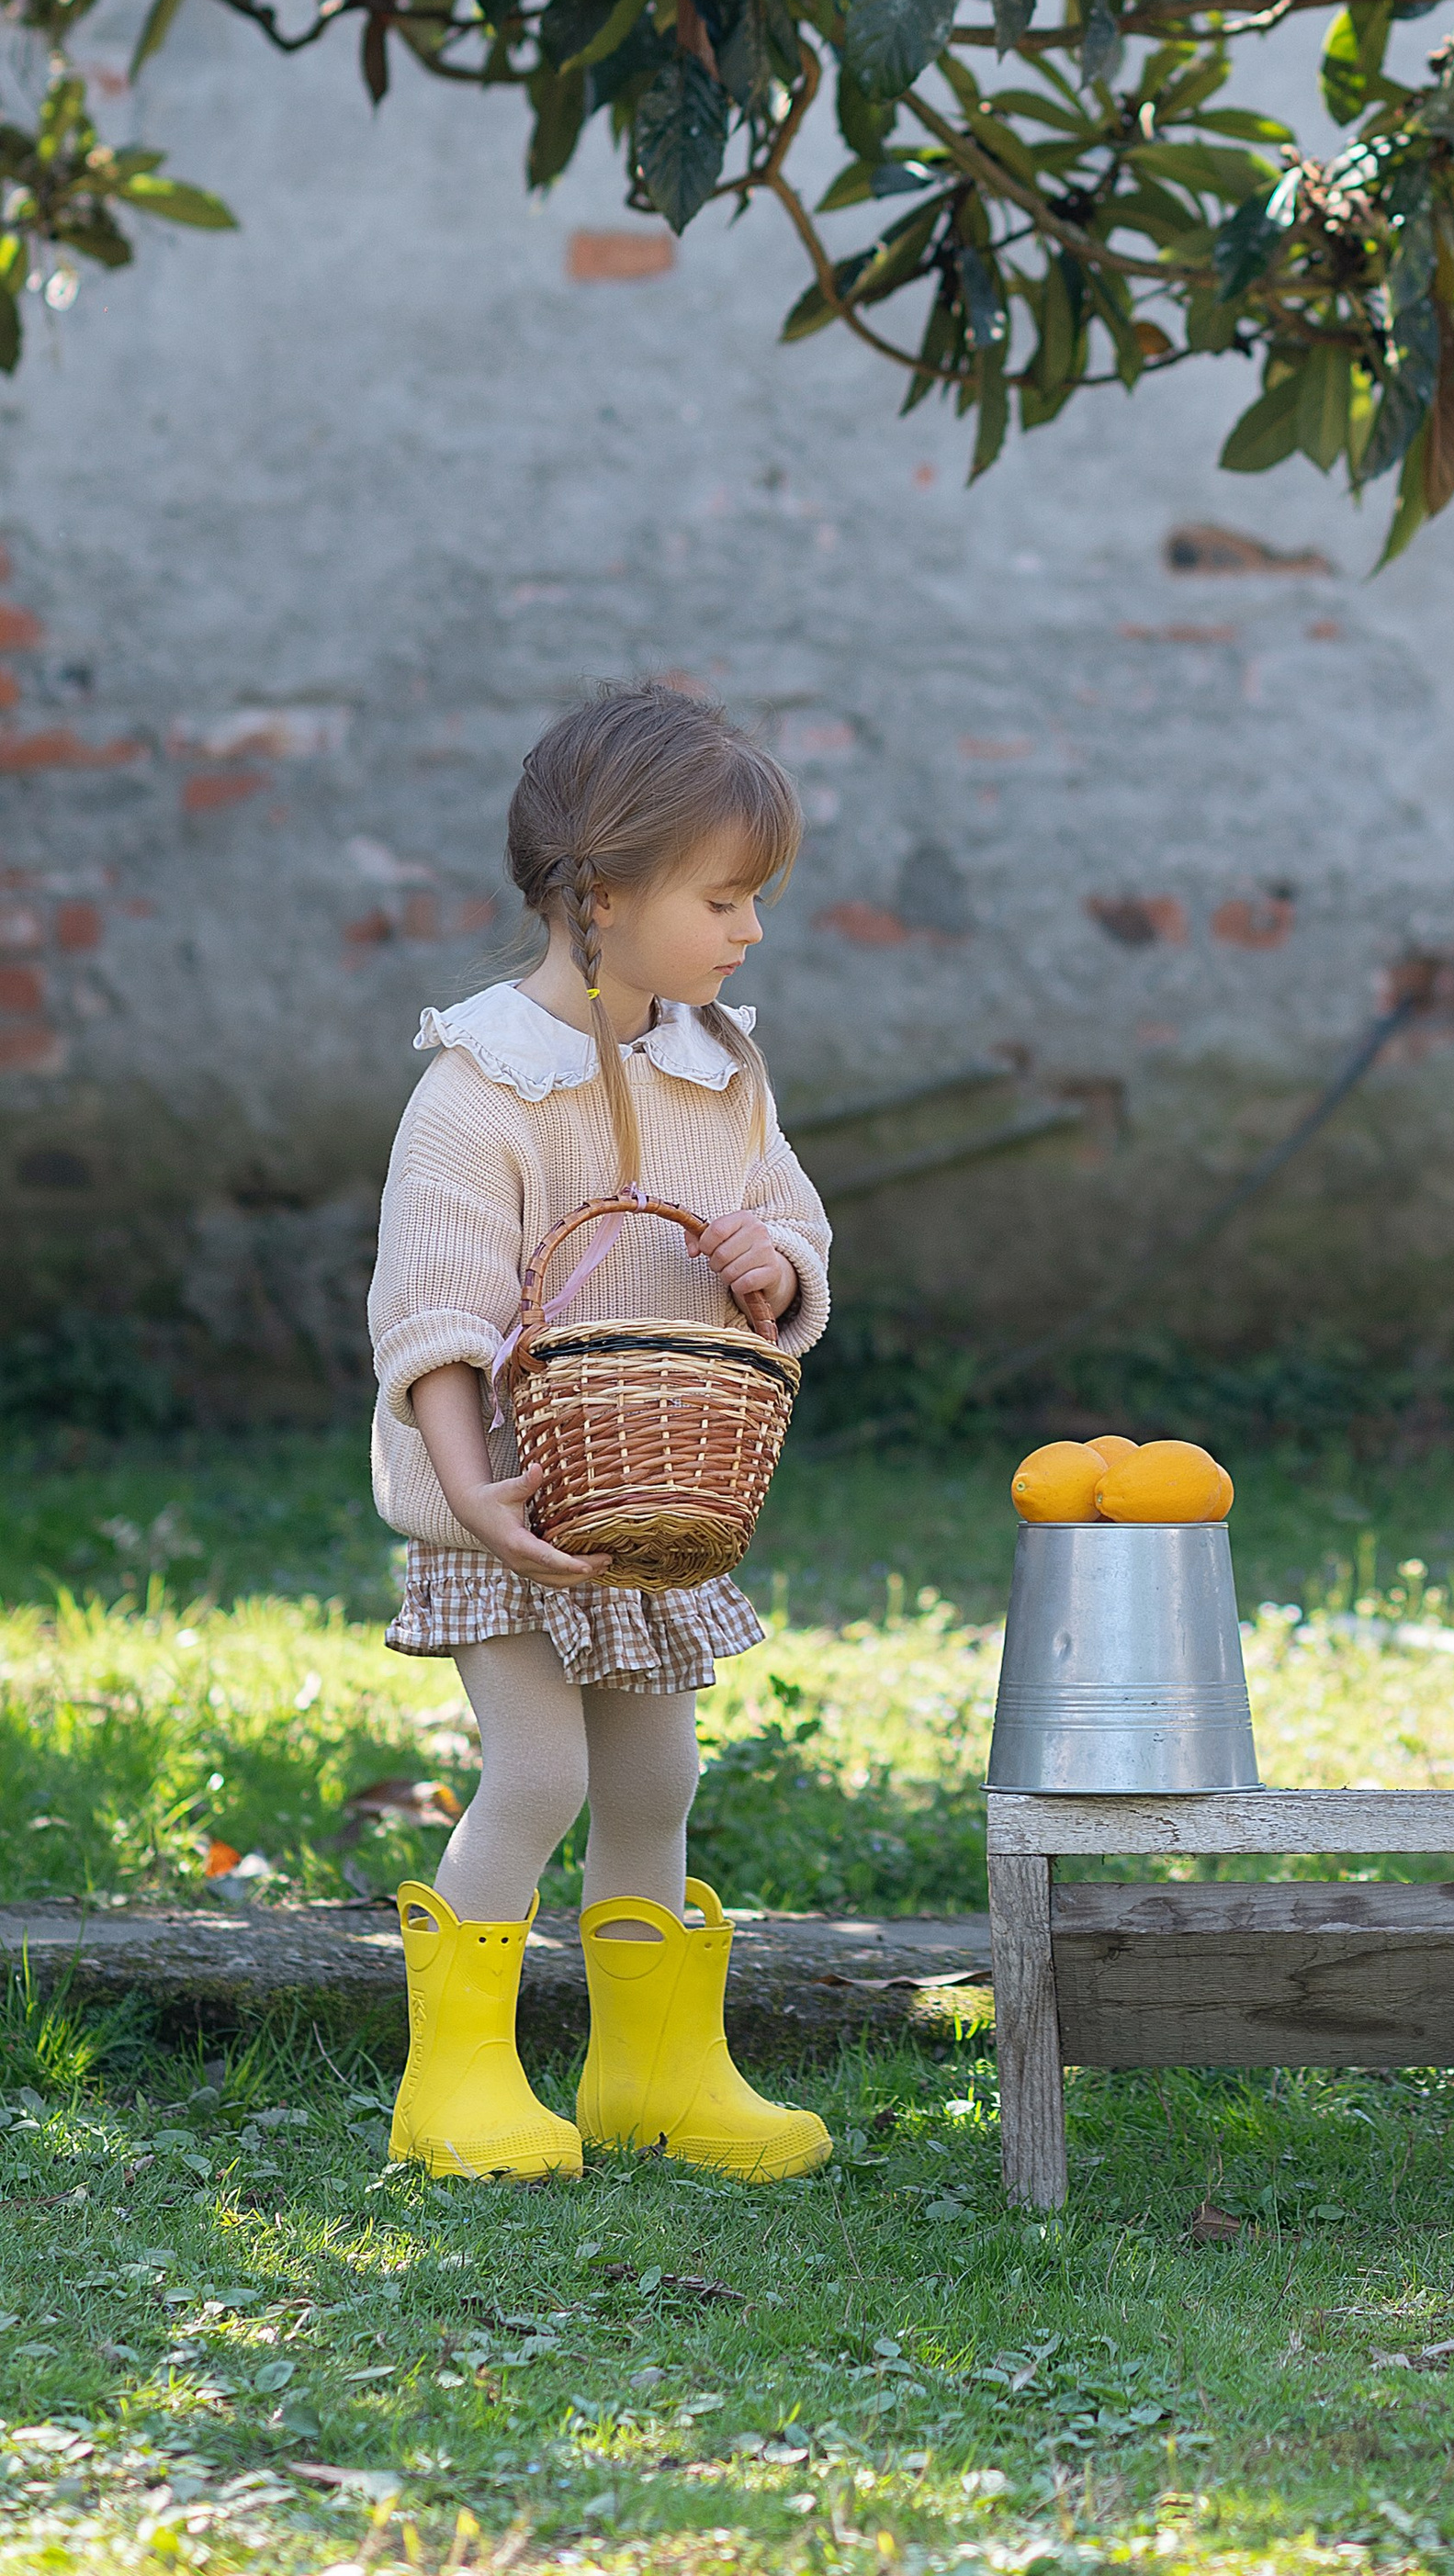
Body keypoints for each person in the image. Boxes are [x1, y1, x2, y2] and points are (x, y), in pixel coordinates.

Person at [367, 681, 835, 2183]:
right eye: (724, 896)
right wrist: (469, 1490)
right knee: (541, 1775)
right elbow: (432, 1315)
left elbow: (784, 1213)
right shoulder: (481, 1090)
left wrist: (777, 1260)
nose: (748, 929)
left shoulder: (720, 1069)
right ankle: (456, 2079)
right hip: (516, 1503)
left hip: (656, 1496)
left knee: (655, 1783)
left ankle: (653, 2071)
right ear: (601, 894)